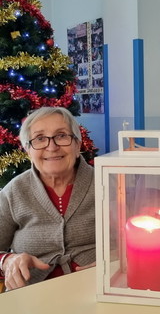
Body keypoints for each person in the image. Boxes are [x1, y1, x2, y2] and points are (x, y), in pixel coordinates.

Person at [0, 107, 95, 291]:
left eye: (61, 136)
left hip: (98, 290)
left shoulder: (110, 182)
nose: (52, 147)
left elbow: (143, 241)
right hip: (31, 295)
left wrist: (117, 264)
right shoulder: (14, 191)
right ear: (28, 150)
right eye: (40, 138)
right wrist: (8, 260)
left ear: (77, 144)